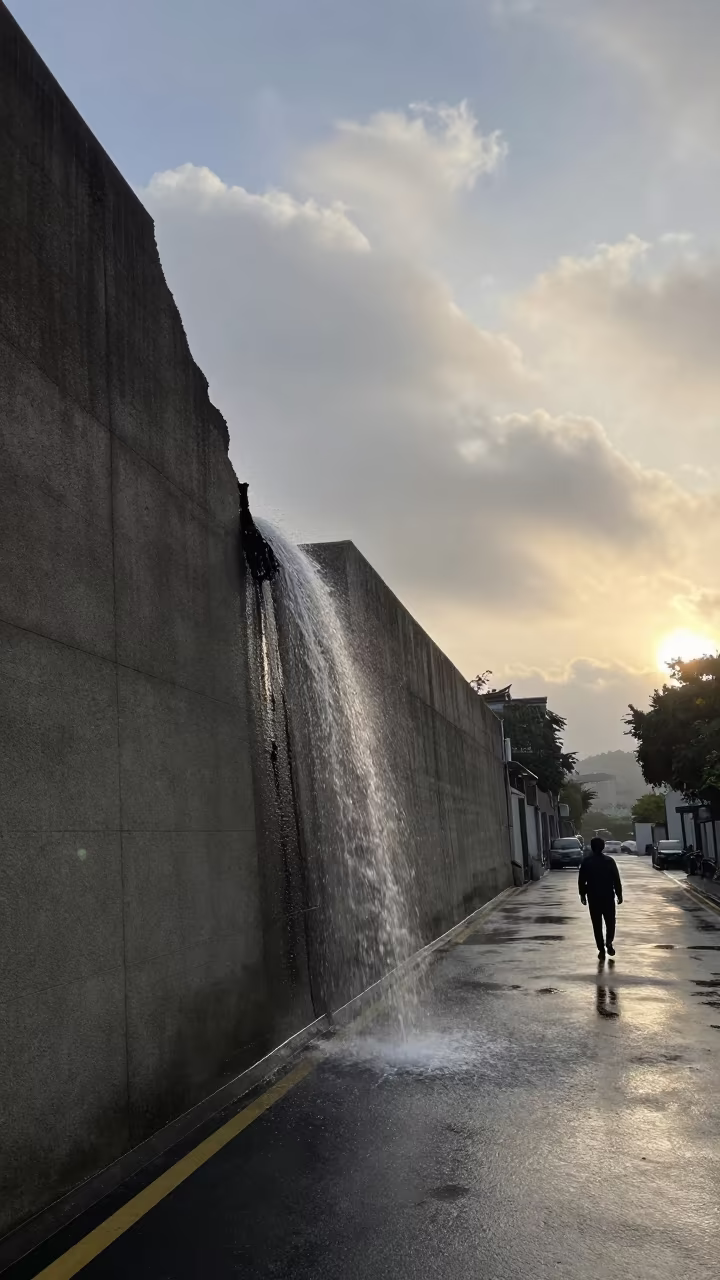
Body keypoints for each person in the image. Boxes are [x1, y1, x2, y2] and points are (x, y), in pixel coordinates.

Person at [578, 836, 623, 959]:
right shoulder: (609, 861)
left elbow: (582, 880)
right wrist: (619, 894)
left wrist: (582, 894)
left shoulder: (586, 862)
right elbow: (616, 879)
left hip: (593, 897)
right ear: (603, 847)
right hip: (608, 896)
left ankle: (601, 949)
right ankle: (609, 942)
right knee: (610, 921)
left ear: (592, 848)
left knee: (596, 924)